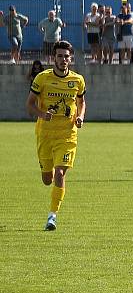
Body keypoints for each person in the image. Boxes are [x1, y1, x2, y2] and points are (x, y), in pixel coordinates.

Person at [25, 40, 86, 231]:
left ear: (71, 58)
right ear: (54, 58)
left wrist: (80, 117)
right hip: (45, 134)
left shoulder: (78, 80)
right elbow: (30, 104)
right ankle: (48, 175)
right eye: (59, 56)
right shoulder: (42, 79)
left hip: (67, 135)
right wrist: (43, 114)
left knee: (60, 173)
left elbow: (82, 102)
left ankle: (52, 216)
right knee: (47, 179)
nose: (63, 59)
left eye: (66, 56)